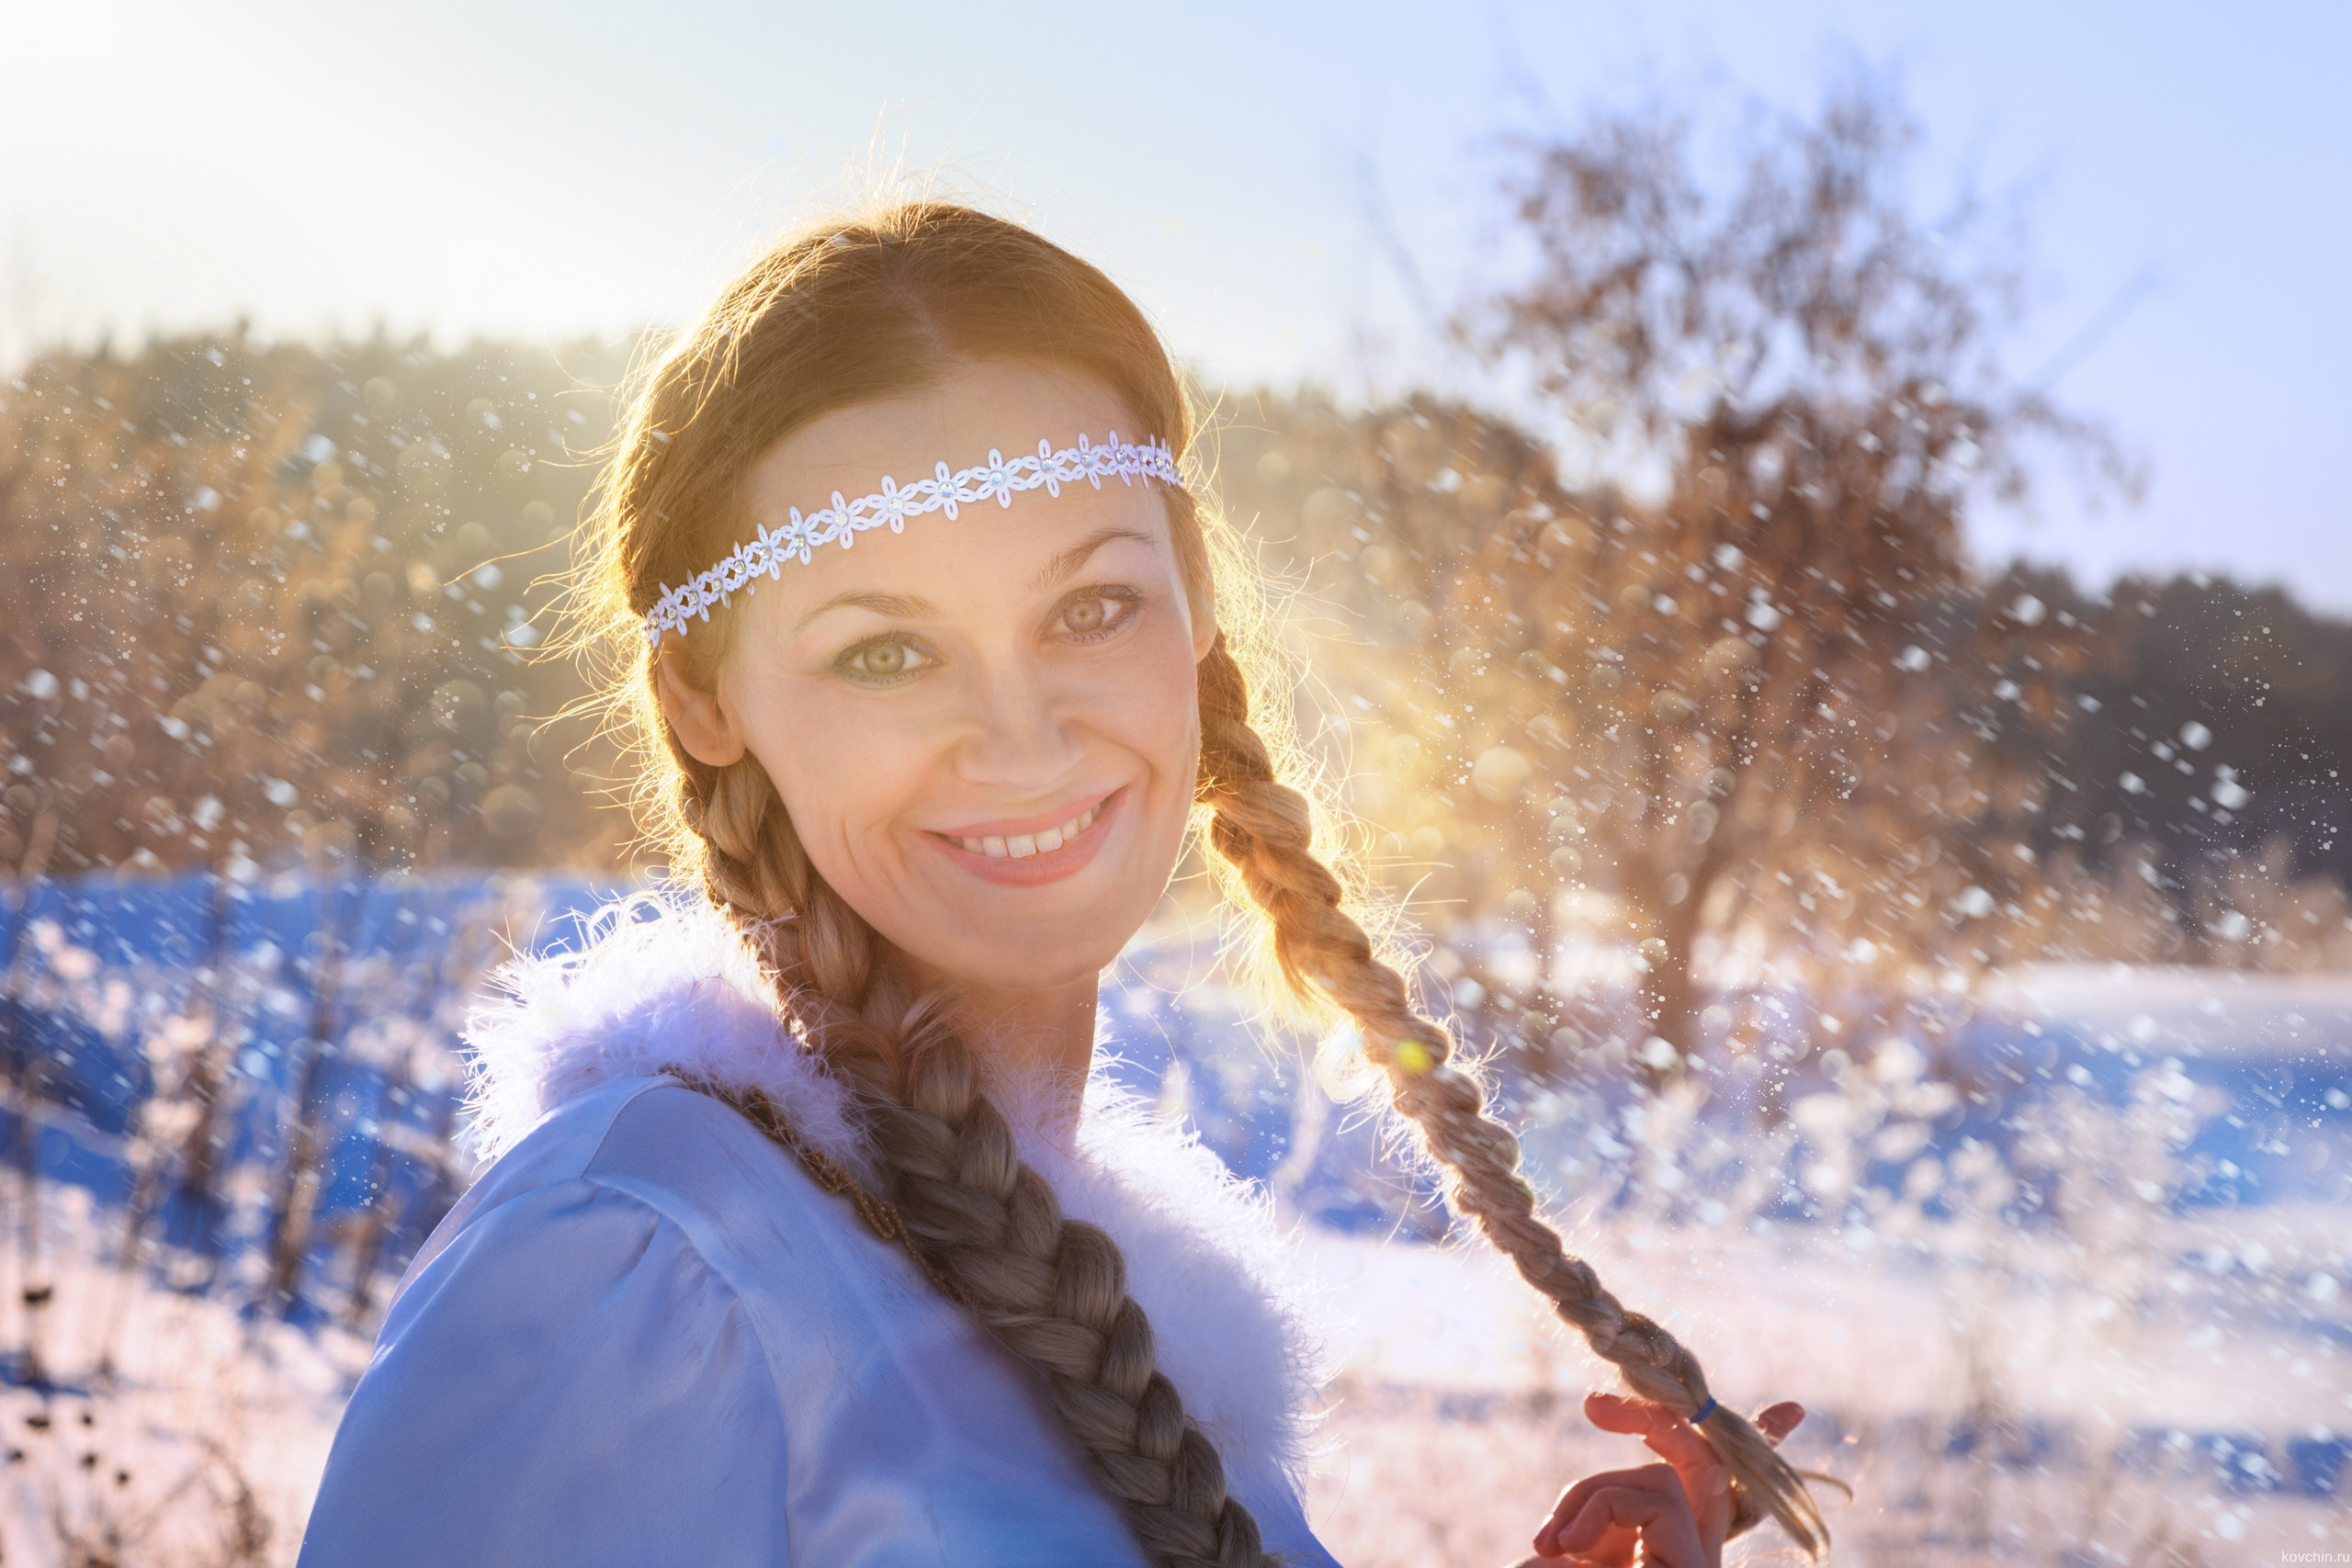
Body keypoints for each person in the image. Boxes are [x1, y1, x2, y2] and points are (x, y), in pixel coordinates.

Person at [298, 202, 1826, 1567]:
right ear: (706, 697)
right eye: (885, 650)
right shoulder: (643, 1268)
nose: (1024, 739)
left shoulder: (1111, 1302)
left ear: (1199, 610)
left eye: (1092, 605)